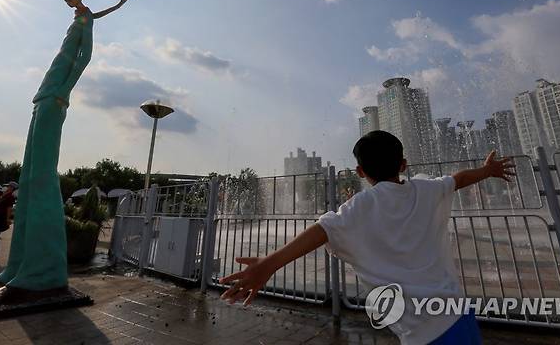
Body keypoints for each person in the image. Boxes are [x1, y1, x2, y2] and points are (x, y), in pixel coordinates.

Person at [219, 130, 516, 345]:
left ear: (360, 171)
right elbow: (458, 179)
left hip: (423, 334)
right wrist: (487, 170)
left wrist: (269, 264)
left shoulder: (358, 208)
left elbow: (319, 232)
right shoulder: (426, 190)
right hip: (458, 315)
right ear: (403, 164)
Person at [0, 0, 147, 294]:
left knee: (42, 178)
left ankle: (43, 270)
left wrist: (64, 89)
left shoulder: (86, 18)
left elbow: (85, 56)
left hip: (55, 95)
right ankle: (18, 265)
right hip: (43, 95)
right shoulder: (79, 17)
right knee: (28, 178)